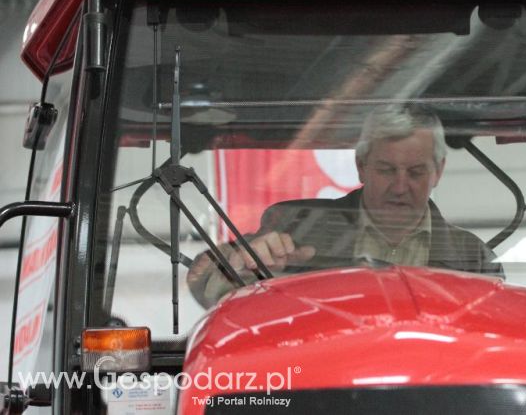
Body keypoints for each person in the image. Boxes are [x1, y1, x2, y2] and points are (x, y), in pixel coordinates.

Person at [187, 105, 503, 307]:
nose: (400, 186)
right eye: (386, 170)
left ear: (439, 171)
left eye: (416, 172)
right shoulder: (296, 224)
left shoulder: (473, 258)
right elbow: (208, 290)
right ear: (361, 166)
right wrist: (243, 262)